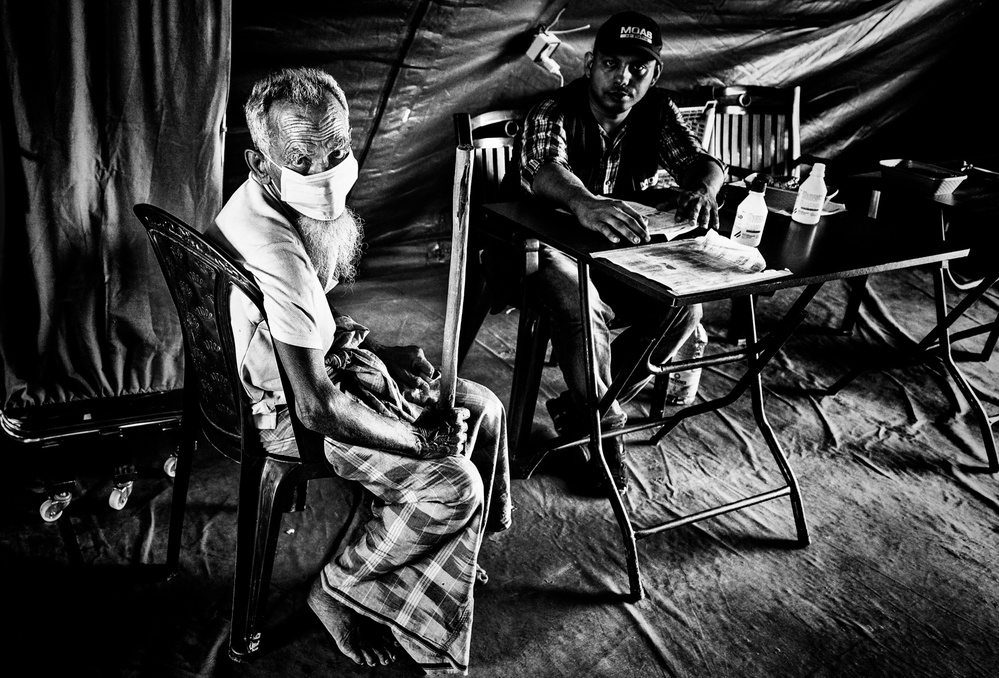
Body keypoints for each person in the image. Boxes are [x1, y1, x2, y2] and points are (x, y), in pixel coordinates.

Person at [208, 67, 512, 675]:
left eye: (337, 150)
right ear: (260, 160)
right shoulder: (275, 251)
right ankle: (337, 588)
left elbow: (306, 332)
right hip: (294, 415)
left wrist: (384, 362)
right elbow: (316, 406)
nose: (324, 174)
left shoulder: (264, 201)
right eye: (303, 158)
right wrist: (421, 440)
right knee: (454, 482)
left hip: (319, 374)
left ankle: (439, 544)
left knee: (485, 410)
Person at [519, 11, 726, 495]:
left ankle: (583, 414)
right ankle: (607, 434)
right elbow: (544, 167)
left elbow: (703, 163)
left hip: (615, 256)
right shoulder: (554, 108)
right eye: (611, 64)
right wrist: (583, 202)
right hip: (540, 250)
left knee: (682, 310)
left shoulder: (657, 112)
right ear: (590, 64)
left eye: (638, 69)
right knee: (581, 305)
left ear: (654, 75)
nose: (623, 78)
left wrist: (703, 189)